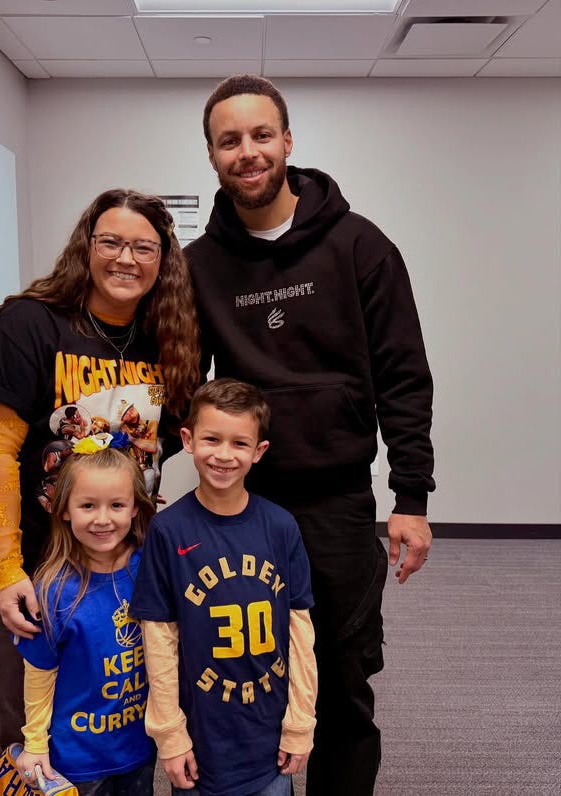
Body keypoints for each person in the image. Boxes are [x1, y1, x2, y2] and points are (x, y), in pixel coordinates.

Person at [183, 74, 435, 795]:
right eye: (229, 140)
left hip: (337, 506)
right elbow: (178, 383)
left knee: (341, 687)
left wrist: (410, 496)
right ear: (212, 156)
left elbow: (403, 378)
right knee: (242, 679)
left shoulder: (361, 246)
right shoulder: (198, 269)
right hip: (239, 506)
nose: (248, 151)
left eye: (261, 135)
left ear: (288, 142)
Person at [0, 188, 200, 751]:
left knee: (114, 726)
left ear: (163, 260)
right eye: (111, 242)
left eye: (144, 247)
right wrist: (4, 571)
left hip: (120, 572)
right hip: (33, 568)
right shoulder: (29, 324)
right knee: (32, 733)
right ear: (85, 248)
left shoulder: (170, 338)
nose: (126, 258)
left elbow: (159, 450)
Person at [130, 379, 317, 796]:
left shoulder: (281, 527)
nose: (224, 455)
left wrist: (301, 722)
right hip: (202, 745)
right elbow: (158, 639)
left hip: (269, 744)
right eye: (212, 439)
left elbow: (300, 632)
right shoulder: (168, 530)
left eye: (239, 443)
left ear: (258, 451)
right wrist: (170, 734)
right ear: (188, 440)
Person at [13, 443, 156, 794]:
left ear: (135, 507)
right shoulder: (53, 591)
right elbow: (39, 676)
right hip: (78, 760)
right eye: (88, 505)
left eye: (117, 505)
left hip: (140, 748)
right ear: (64, 510)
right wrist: (35, 743)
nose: (103, 519)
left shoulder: (149, 569)